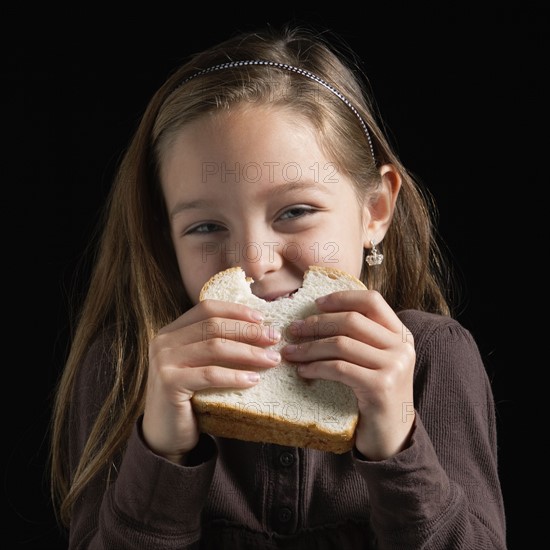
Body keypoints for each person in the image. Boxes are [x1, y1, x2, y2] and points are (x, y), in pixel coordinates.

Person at [50, 23, 507, 549]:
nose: (253, 260)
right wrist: (163, 450)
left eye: (295, 211)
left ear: (375, 209)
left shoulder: (434, 358)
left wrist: (396, 440)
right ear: (166, 237)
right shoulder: (126, 366)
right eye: (205, 227)